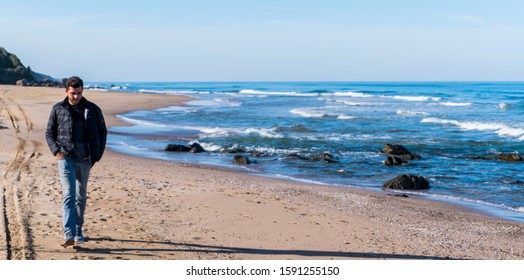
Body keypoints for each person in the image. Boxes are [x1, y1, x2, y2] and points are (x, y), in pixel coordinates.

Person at [45, 76, 107, 247]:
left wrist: (97, 155)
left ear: (82, 91)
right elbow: (49, 133)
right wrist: (56, 152)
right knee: (69, 194)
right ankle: (68, 233)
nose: (76, 97)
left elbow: (102, 132)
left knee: (81, 196)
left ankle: (79, 229)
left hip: (86, 160)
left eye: (79, 93)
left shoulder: (92, 109)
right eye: (73, 93)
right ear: (66, 91)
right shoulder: (58, 109)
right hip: (66, 159)